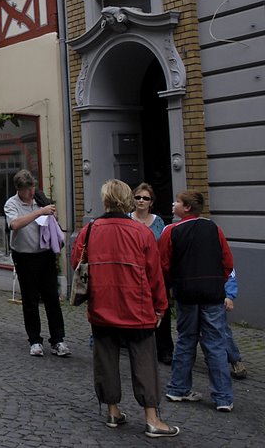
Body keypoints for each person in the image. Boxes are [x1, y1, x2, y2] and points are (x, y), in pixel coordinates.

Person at [72, 179, 179, 438]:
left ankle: (112, 411)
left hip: (102, 305)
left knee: (106, 361)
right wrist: (161, 307)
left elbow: (77, 262)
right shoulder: (141, 232)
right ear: (128, 200)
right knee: (144, 363)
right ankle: (152, 419)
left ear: (106, 200)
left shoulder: (90, 229)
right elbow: (155, 274)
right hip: (137, 307)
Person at [159, 189, 234, 412]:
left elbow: (163, 263)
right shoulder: (214, 229)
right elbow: (227, 261)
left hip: (187, 292)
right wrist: (217, 282)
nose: (173, 204)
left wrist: (174, 284)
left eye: (178, 202)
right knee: (215, 343)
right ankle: (223, 397)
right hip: (212, 292)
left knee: (185, 340)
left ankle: (177, 388)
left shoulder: (171, 231)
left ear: (187, 208)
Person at [4, 169, 69, 357]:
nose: (31, 192)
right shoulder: (12, 204)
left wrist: (50, 215)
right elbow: (15, 225)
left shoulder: (39, 197)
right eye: (27, 189)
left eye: (32, 187)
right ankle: (35, 340)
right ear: (19, 189)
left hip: (45, 254)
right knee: (30, 300)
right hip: (24, 256)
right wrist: (39, 212)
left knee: (52, 298)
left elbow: (52, 218)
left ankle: (58, 340)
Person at [130, 183, 174, 365]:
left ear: (151, 202)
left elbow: (163, 246)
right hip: (134, 272)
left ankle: (164, 348)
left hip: (154, 271)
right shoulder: (127, 220)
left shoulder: (158, 221)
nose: (141, 201)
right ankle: (140, 346)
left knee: (161, 309)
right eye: (138, 197)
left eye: (145, 198)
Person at [224, 269, 247, 379]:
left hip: (212, 296)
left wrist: (229, 295)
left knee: (222, 331)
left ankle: (235, 361)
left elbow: (229, 270)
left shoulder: (219, 251)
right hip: (190, 295)